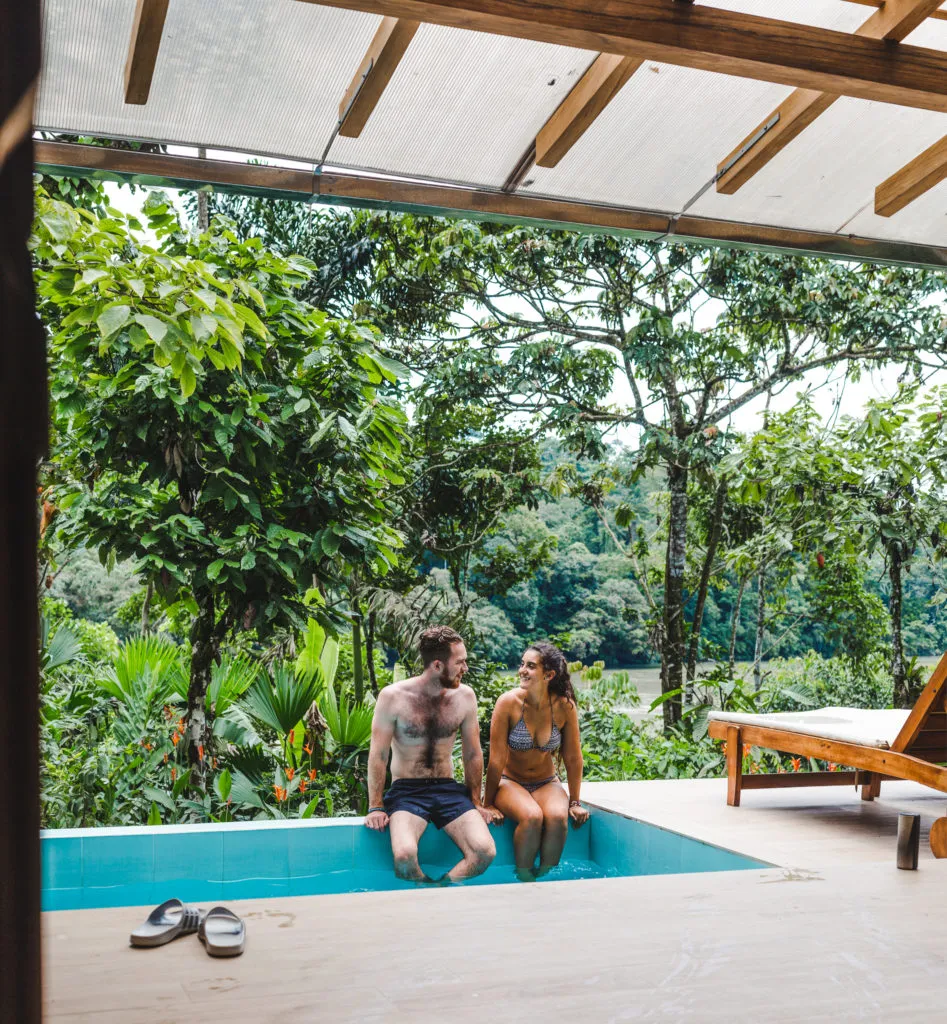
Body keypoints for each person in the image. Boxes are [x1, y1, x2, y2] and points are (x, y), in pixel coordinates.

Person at [364, 625, 498, 882]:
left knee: (484, 852)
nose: (465, 668)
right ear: (437, 665)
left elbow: (472, 754)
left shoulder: (465, 697)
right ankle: (425, 893)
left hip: (448, 789)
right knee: (404, 855)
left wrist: (476, 802)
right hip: (407, 791)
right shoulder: (393, 697)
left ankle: (439, 892)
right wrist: (375, 806)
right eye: (460, 662)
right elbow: (378, 755)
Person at [482, 640, 589, 879]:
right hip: (510, 781)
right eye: (522, 664)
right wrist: (487, 804)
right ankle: (524, 878)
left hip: (546, 782)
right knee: (531, 817)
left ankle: (546, 879)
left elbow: (573, 757)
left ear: (548, 675)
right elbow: (496, 760)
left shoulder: (564, 707)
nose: (522, 670)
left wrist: (575, 802)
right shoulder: (508, 703)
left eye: (531, 666)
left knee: (558, 818)